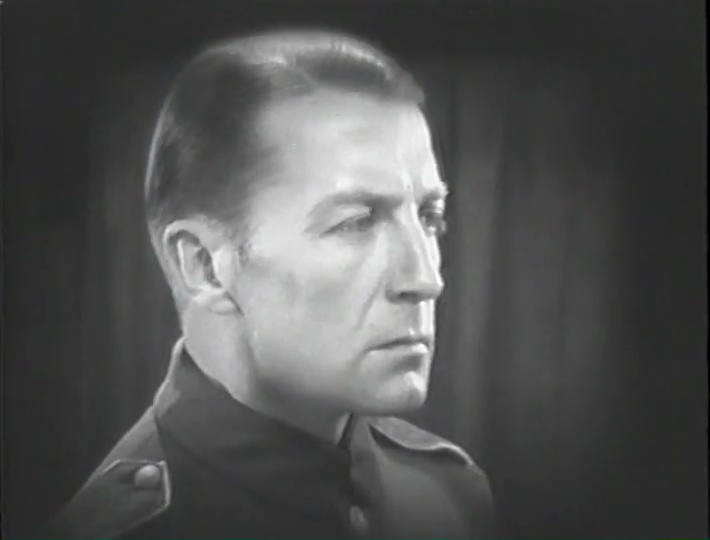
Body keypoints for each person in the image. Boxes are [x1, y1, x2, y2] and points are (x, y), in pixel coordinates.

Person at [46, 30, 495, 540]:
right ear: (205, 266)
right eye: (355, 222)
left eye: (430, 216)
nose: (427, 279)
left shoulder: (447, 497)